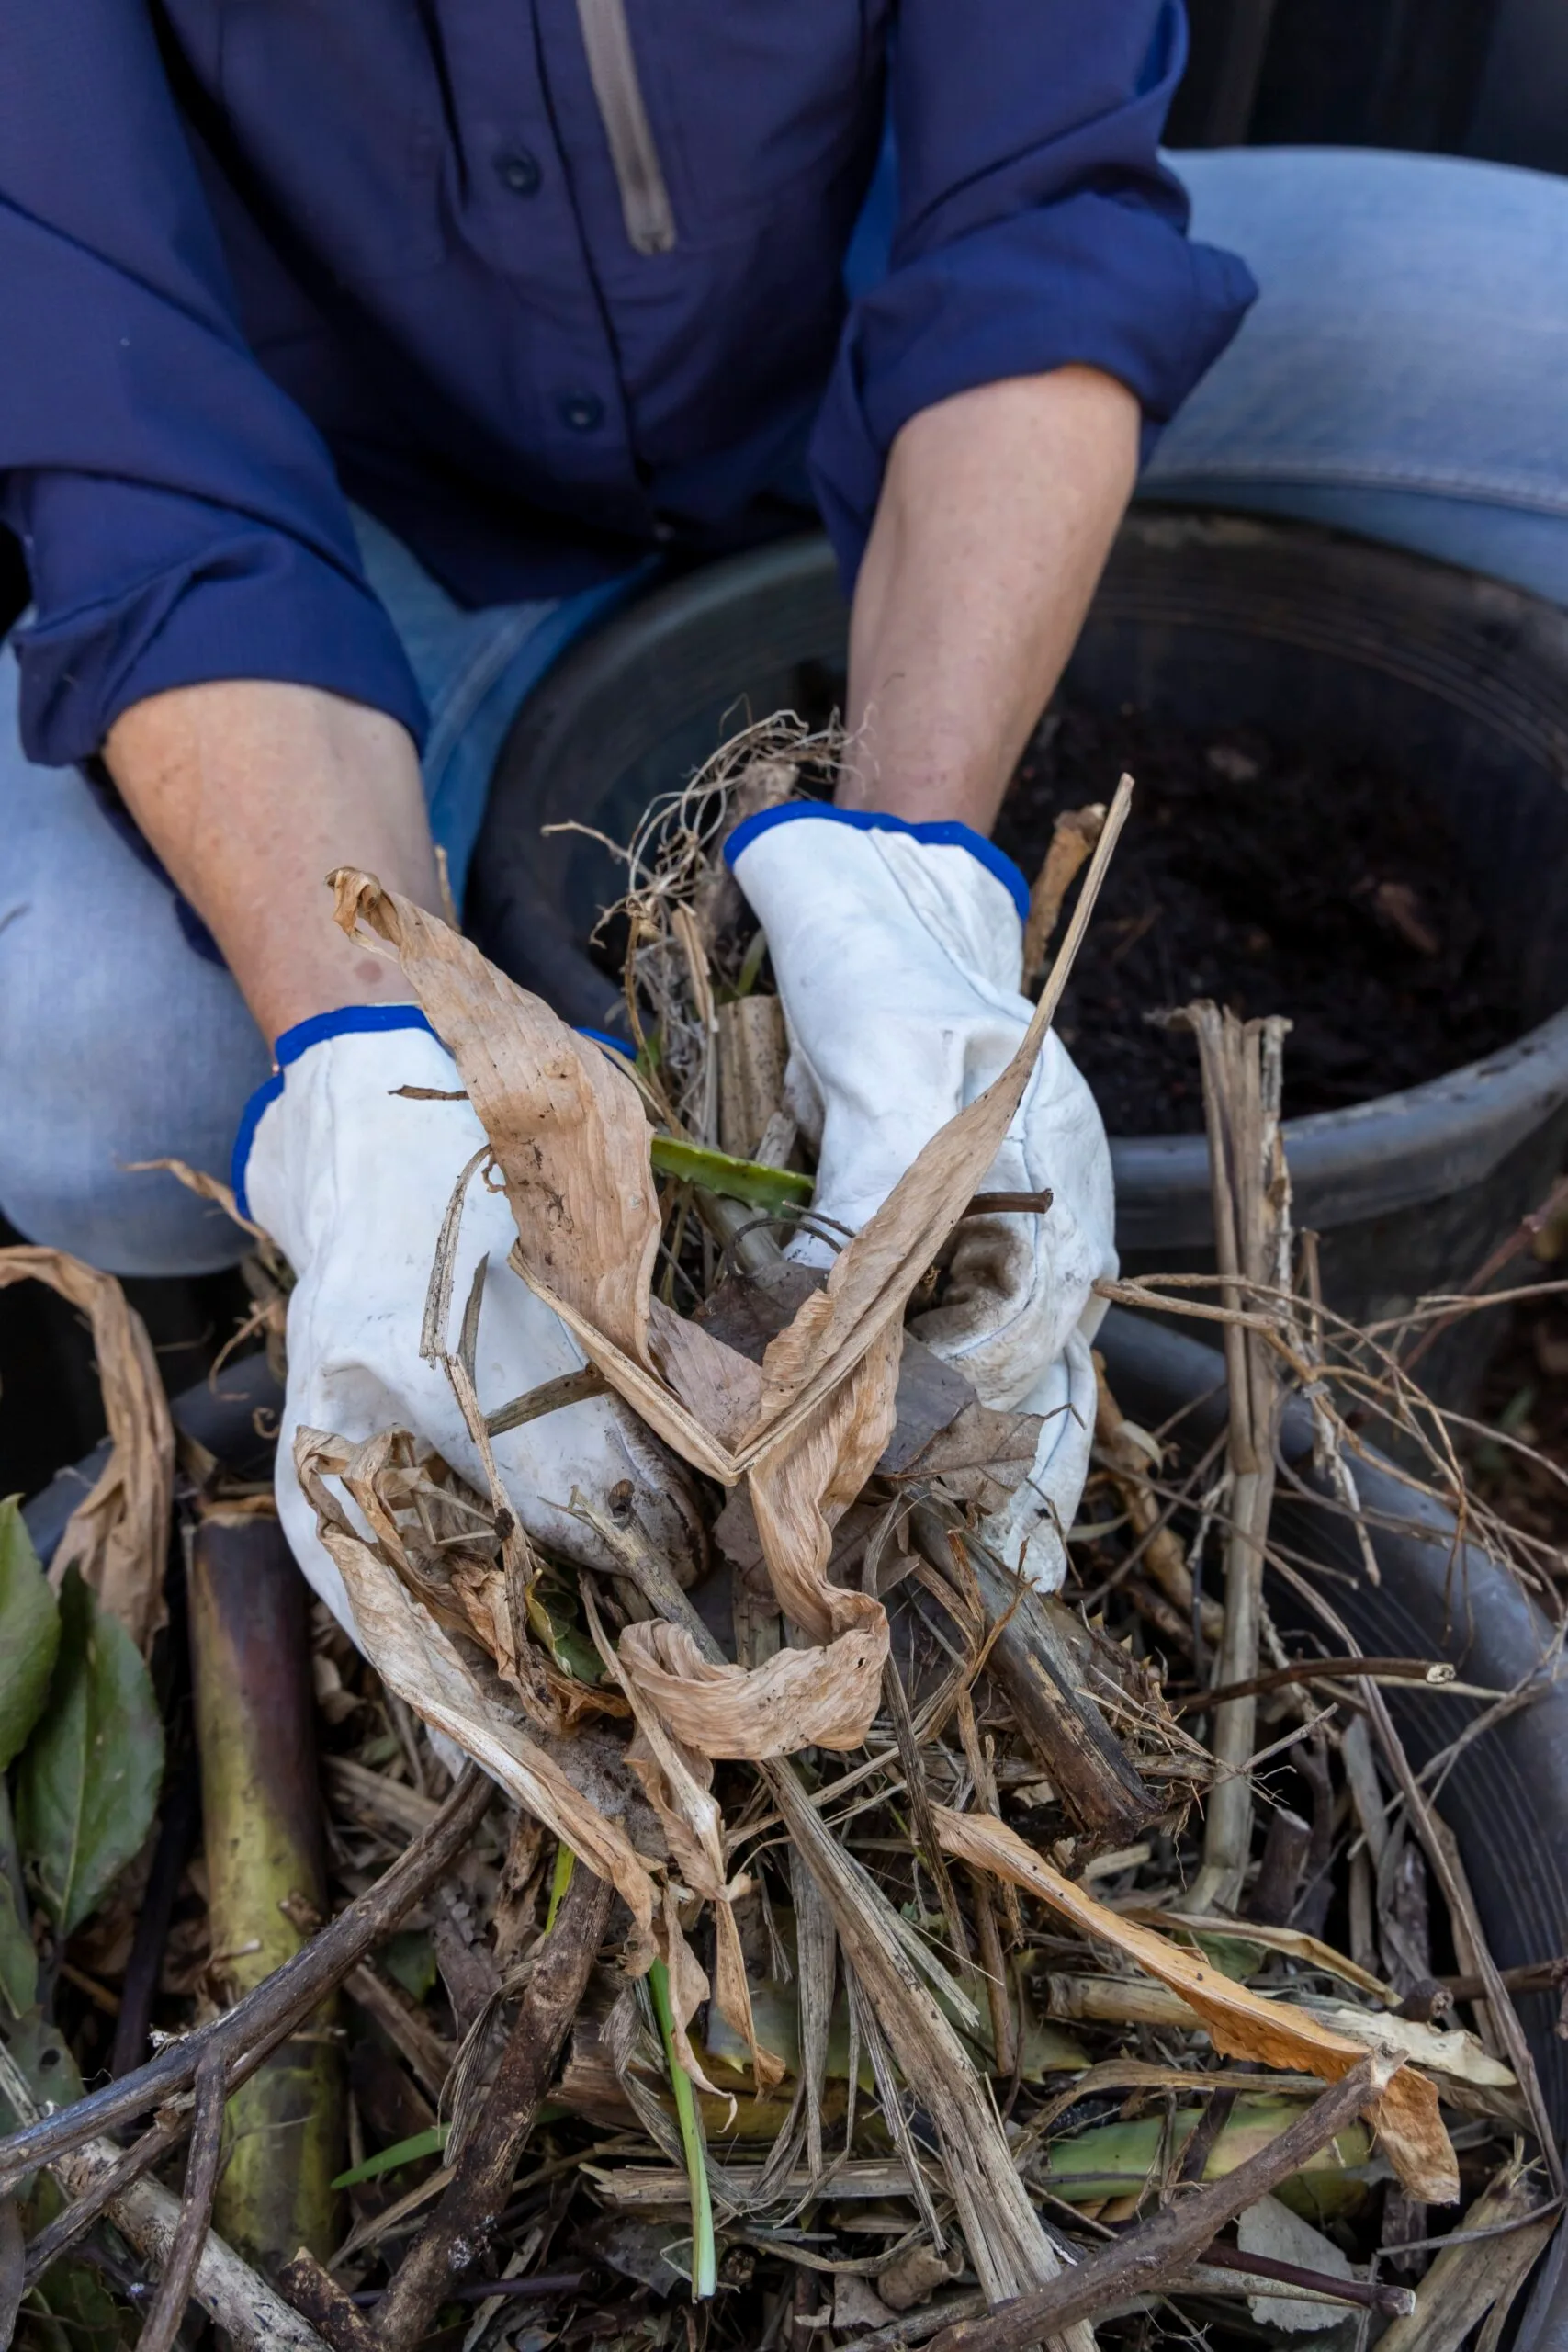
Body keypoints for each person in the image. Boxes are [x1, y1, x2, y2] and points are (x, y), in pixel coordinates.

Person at [6, 6, 1562, 1620]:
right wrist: (376, 1062)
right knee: (90, 1066)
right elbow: (142, 465)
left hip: (888, 373)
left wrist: (911, 877)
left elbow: (1033, 223)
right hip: (391, 514)